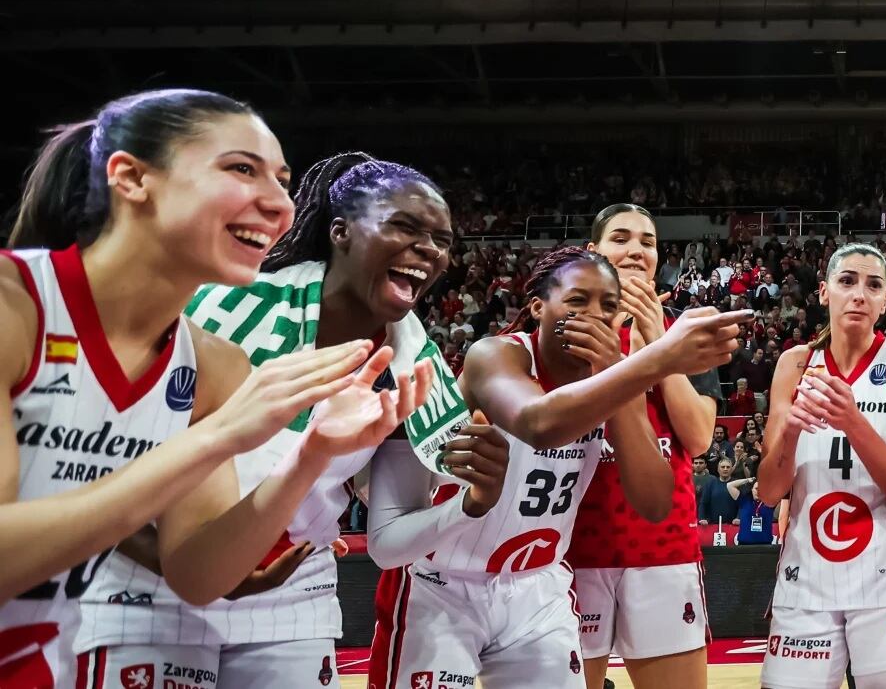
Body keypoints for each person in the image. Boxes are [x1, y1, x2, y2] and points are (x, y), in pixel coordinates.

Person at [0, 90, 419, 688]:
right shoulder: (13, 305)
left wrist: (311, 456)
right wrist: (219, 435)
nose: (278, 204)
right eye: (242, 169)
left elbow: (198, 574)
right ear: (133, 177)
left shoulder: (213, 362)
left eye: (283, 180)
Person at [75, 153, 483, 688]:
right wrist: (190, 565)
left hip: (293, 592)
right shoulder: (217, 308)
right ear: (340, 232)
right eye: (405, 226)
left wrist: (472, 503)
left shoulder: (416, 365)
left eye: (443, 240)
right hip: (148, 581)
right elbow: (86, 459)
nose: (430, 249)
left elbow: (388, 536)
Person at [365, 247, 749, 689]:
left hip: (537, 587)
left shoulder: (613, 379)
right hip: (443, 582)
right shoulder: (496, 355)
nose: (595, 315)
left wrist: (620, 372)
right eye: (577, 301)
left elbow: (655, 501)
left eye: (609, 305)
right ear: (537, 307)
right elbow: (539, 423)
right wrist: (658, 358)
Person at [757, 242, 886, 689]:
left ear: (885, 301)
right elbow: (770, 491)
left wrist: (853, 421)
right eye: (847, 281)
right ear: (823, 292)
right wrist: (791, 432)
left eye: (873, 285)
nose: (859, 294)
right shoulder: (795, 364)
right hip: (806, 577)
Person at [573, 204, 724, 689]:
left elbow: (699, 437)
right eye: (621, 238)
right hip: (573, 548)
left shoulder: (690, 331)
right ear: (593, 252)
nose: (636, 249)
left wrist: (660, 343)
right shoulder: (564, 326)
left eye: (647, 241)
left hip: (662, 549)